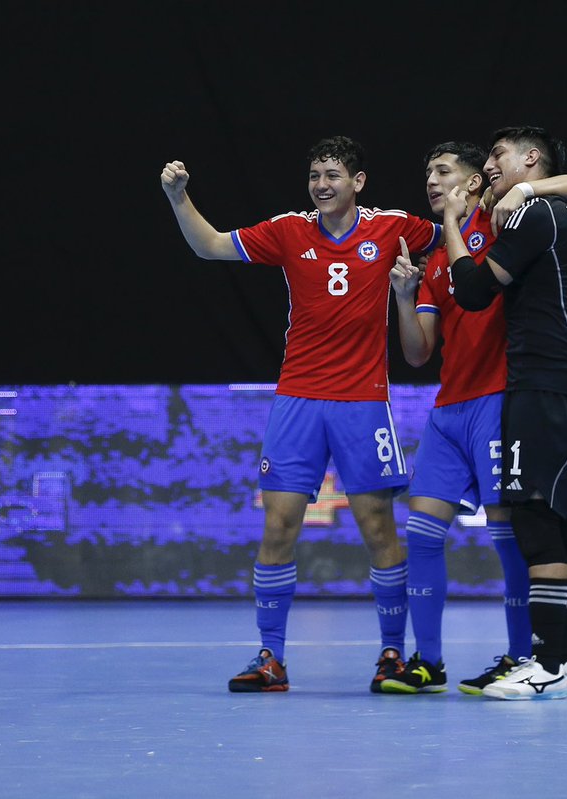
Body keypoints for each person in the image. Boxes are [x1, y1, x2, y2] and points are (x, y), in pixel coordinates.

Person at [161, 136, 440, 693]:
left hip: (363, 402)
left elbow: (459, 231)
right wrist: (177, 196)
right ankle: (271, 658)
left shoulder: (393, 227)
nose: (321, 185)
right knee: (278, 526)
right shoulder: (289, 230)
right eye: (315, 176)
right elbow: (209, 246)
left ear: (358, 182)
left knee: (378, 529)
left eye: (332, 175)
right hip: (297, 400)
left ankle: (391, 652)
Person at [381, 143, 567, 695]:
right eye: (427, 172)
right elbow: (418, 353)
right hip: (449, 410)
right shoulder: (437, 256)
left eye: (443, 171)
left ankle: (525, 657)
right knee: (421, 532)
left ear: (476, 181)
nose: (431, 181)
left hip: (502, 400)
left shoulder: (505, 217)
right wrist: (404, 297)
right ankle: (429, 663)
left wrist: (523, 187)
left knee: (515, 535)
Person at [444, 126, 567, 700]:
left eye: (498, 156)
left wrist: (453, 224)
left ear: (531, 159)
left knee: (535, 521)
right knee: (549, 522)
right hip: (558, 384)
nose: (488, 165)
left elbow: (472, 291)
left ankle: (550, 665)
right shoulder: (552, 210)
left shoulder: (537, 213)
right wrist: (511, 194)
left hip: (548, 384)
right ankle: (559, 662)